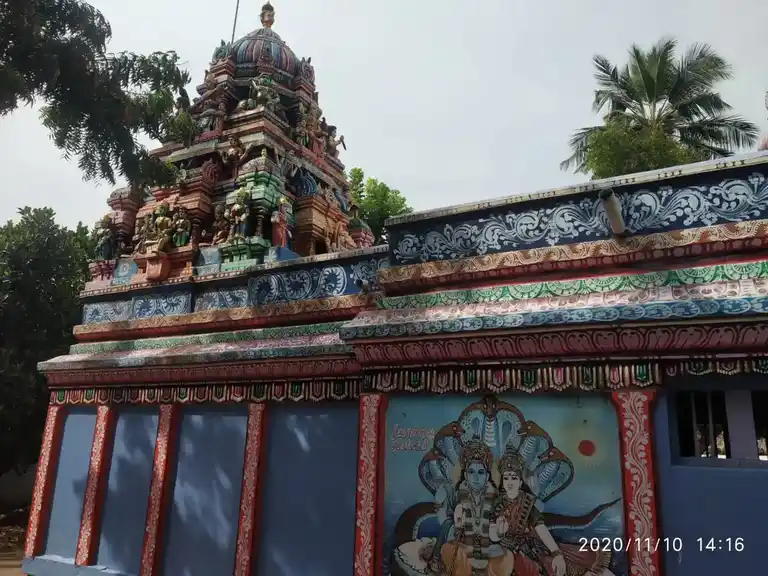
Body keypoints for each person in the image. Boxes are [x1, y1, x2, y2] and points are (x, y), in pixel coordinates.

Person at [493, 451, 615, 576]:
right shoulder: (496, 503)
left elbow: (540, 528)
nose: (510, 482)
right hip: (504, 552)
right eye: (506, 478)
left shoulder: (527, 501)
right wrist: (498, 532)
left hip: (533, 548)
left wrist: (556, 552)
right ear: (502, 481)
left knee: (564, 566)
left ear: (519, 482)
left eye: (514, 478)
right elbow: (491, 533)